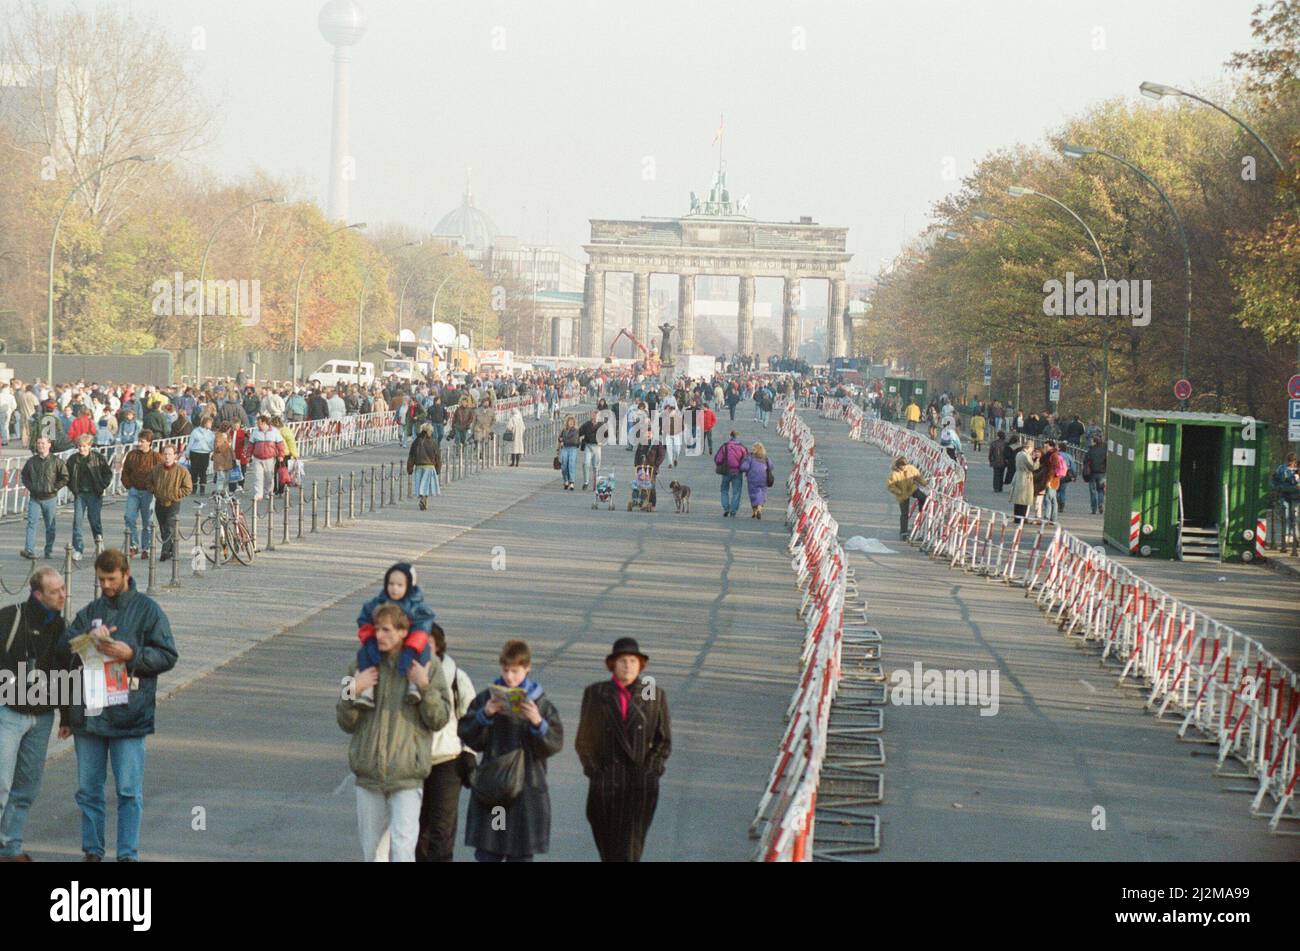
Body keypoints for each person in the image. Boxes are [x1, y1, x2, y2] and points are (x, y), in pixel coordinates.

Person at [56, 548, 178, 861]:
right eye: (101, 579)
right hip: (91, 714)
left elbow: (167, 655)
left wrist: (132, 655)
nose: (106, 585)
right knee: (88, 791)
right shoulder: (90, 611)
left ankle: (127, 854)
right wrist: (87, 638)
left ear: (126, 574)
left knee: (128, 790)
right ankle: (93, 851)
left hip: (128, 714)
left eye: (111, 579)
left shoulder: (148, 610)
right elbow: (63, 650)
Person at [338, 603, 448, 863]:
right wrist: (352, 690)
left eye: (386, 630)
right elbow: (345, 721)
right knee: (373, 853)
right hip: (369, 773)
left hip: (407, 774)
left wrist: (424, 686)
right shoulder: (360, 662)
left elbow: (439, 718)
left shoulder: (427, 665)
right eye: (376, 629)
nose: (379, 635)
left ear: (403, 632)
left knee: (402, 849)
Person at [457, 639, 563, 862]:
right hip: (495, 790)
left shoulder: (540, 703)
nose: (510, 677)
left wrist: (537, 722)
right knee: (490, 851)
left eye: (515, 671)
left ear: (527, 668)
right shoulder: (487, 697)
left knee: (521, 854)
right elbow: (468, 734)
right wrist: (484, 715)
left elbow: (554, 743)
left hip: (526, 789)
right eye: (506, 670)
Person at [574, 637, 671, 863]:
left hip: (639, 786)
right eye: (622, 661)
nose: (628, 665)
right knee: (608, 852)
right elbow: (584, 740)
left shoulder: (652, 694)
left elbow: (663, 740)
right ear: (612, 665)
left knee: (629, 852)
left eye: (633, 661)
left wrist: (650, 772)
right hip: (605, 786)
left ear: (640, 666)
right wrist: (595, 772)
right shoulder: (596, 693)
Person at [0, 568, 69, 862]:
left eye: (63, 589)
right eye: (55, 592)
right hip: (8, 711)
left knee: (26, 787)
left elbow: (67, 670)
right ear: (38, 595)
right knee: (1, 785)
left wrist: (67, 716)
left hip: (42, 717)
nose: (63, 596)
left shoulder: (61, 626)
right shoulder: (10, 617)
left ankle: (10, 847)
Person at [415, 622, 475, 863]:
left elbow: (471, 718)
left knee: (442, 829)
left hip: (448, 760)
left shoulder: (456, 677)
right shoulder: (408, 674)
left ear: (439, 646)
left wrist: (470, 753)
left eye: (429, 643)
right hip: (414, 761)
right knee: (417, 831)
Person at [20, 436, 69, 560]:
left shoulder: (56, 461)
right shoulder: (31, 461)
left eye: (43, 443)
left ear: (49, 445)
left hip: (50, 498)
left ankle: (48, 550)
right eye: (38, 443)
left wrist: (54, 488)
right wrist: (31, 487)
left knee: (50, 525)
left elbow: (65, 476)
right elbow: (24, 476)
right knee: (31, 523)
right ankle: (29, 550)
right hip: (35, 498)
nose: (40, 445)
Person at [68, 434, 112, 563]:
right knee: (77, 522)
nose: (82, 449)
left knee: (94, 521)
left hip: (94, 494)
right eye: (80, 446)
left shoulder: (98, 458)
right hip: (80, 494)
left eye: (84, 446)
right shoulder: (73, 459)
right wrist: (72, 488)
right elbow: (67, 475)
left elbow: (107, 473)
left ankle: (99, 543)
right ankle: (78, 549)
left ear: (90, 446)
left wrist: (102, 486)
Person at [148, 443, 193, 562]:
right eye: (165, 454)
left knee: (169, 526)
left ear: (175, 456)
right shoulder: (156, 469)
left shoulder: (182, 471)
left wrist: (175, 494)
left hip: (173, 502)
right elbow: (149, 482)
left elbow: (188, 488)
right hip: (160, 502)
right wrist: (154, 490)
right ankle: (172, 547)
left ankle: (164, 551)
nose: (167, 457)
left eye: (170, 454)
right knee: (163, 528)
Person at [120, 431, 161, 559]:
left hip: (148, 492)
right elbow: (125, 471)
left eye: (142, 441)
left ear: (149, 442)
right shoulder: (132, 455)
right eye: (139, 441)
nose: (140, 443)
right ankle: (133, 545)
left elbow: (160, 475)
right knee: (129, 517)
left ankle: (146, 548)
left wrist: (154, 488)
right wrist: (129, 485)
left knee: (147, 522)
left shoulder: (156, 457)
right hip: (134, 491)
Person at [886, 456, 928, 539]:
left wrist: (925, 483)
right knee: (904, 513)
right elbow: (890, 486)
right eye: (902, 466)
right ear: (898, 466)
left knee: (923, 497)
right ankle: (903, 532)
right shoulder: (893, 474)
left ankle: (921, 511)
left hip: (912, 488)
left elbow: (918, 476)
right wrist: (898, 492)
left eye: (905, 465)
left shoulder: (911, 468)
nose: (904, 467)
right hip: (902, 494)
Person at [246, 415, 285, 502]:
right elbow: (250, 445)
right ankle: (258, 494)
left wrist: (281, 455)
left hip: (270, 458)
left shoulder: (274, 431)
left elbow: (280, 445)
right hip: (257, 458)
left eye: (260, 423)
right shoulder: (255, 432)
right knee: (258, 476)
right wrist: (248, 456)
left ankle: (268, 492)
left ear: (265, 423)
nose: (258, 425)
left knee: (269, 476)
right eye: (258, 423)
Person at [407, 423, 442, 510]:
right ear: (429, 431)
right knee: (426, 485)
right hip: (429, 467)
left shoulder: (416, 442)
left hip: (419, 466)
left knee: (420, 485)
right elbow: (437, 457)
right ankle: (424, 499)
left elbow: (411, 455)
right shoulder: (433, 443)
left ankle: (423, 499)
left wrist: (410, 467)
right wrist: (438, 468)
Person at [714, 430, 748, 518]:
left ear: (730, 436)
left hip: (726, 471)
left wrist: (720, 464)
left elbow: (718, 459)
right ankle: (733, 510)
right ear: (738, 436)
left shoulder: (725, 446)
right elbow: (746, 460)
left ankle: (726, 508)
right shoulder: (742, 448)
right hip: (737, 472)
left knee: (724, 490)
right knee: (736, 492)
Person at [739, 441, 774, 519]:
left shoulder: (750, 457)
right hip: (763, 478)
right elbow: (771, 466)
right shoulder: (766, 457)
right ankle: (759, 508)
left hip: (752, 478)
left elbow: (744, 468)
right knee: (762, 493)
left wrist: (742, 462)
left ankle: (754, 511)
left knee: (753, 494)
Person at [1009, 440, 1040, 522]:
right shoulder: (1026, 456)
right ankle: (1021, 518)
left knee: (1018, 499)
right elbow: (1033, 467)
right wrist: (1037, 460)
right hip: (1025, 477)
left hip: (1018, 475)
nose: (1032, 450)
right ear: (1029, 447)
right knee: (1024, 499)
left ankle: (1016, 518)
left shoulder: (1019, 454)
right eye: (1032, 448)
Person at [578, 409, 603, 490]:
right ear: (591, 416)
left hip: (597, 447)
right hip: (588, 446)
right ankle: (586, 482)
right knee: (586, 463)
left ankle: (595, 484)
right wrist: (579, 438)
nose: (595, 417)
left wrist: (602, 441)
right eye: (594, 415)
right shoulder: (587, 424)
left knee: (596, 466)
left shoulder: (602, 425)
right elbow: (579, 432)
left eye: (597, 415)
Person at [1083, 435, 1107, 515]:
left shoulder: (1090, 451)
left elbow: (1085, 461)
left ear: (1094, 442)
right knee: (1100, 490)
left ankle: (1094, 508)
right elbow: (1106, 461)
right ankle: (1101, 504)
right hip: (1101, 473)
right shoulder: (1104, 451)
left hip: (1092, 473)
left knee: (1093, 491)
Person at [557, 414, 581, 491]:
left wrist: (564, 442)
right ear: (567, 422)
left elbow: (573, 440)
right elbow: (560, 437)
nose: (570, 423)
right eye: (569, 422)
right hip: (564, 449)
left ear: (574, 423)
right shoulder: (564, 430)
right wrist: (560, 441)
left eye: (572, 422)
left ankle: (572, 482)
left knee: (571, 464)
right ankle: (565, 480)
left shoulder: (576, 430)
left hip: (572, 448)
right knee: (564, 466)